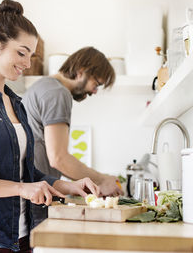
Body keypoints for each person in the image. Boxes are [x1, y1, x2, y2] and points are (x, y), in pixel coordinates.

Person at [0, 0, 100, 253]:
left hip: (22, 237)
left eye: (31, 55)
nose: (27, 63)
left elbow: (27, 175)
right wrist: (22, 189)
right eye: (21, 53)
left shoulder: (17, 104)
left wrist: (70, 186)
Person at [22, 46, 124, 227]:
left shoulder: (42, 86)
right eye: (97, 84)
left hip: (31, 194)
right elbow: (59, 158)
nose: (95, 92)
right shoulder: (57, 93)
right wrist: (102, 180)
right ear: (81, 71)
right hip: (37, 197)